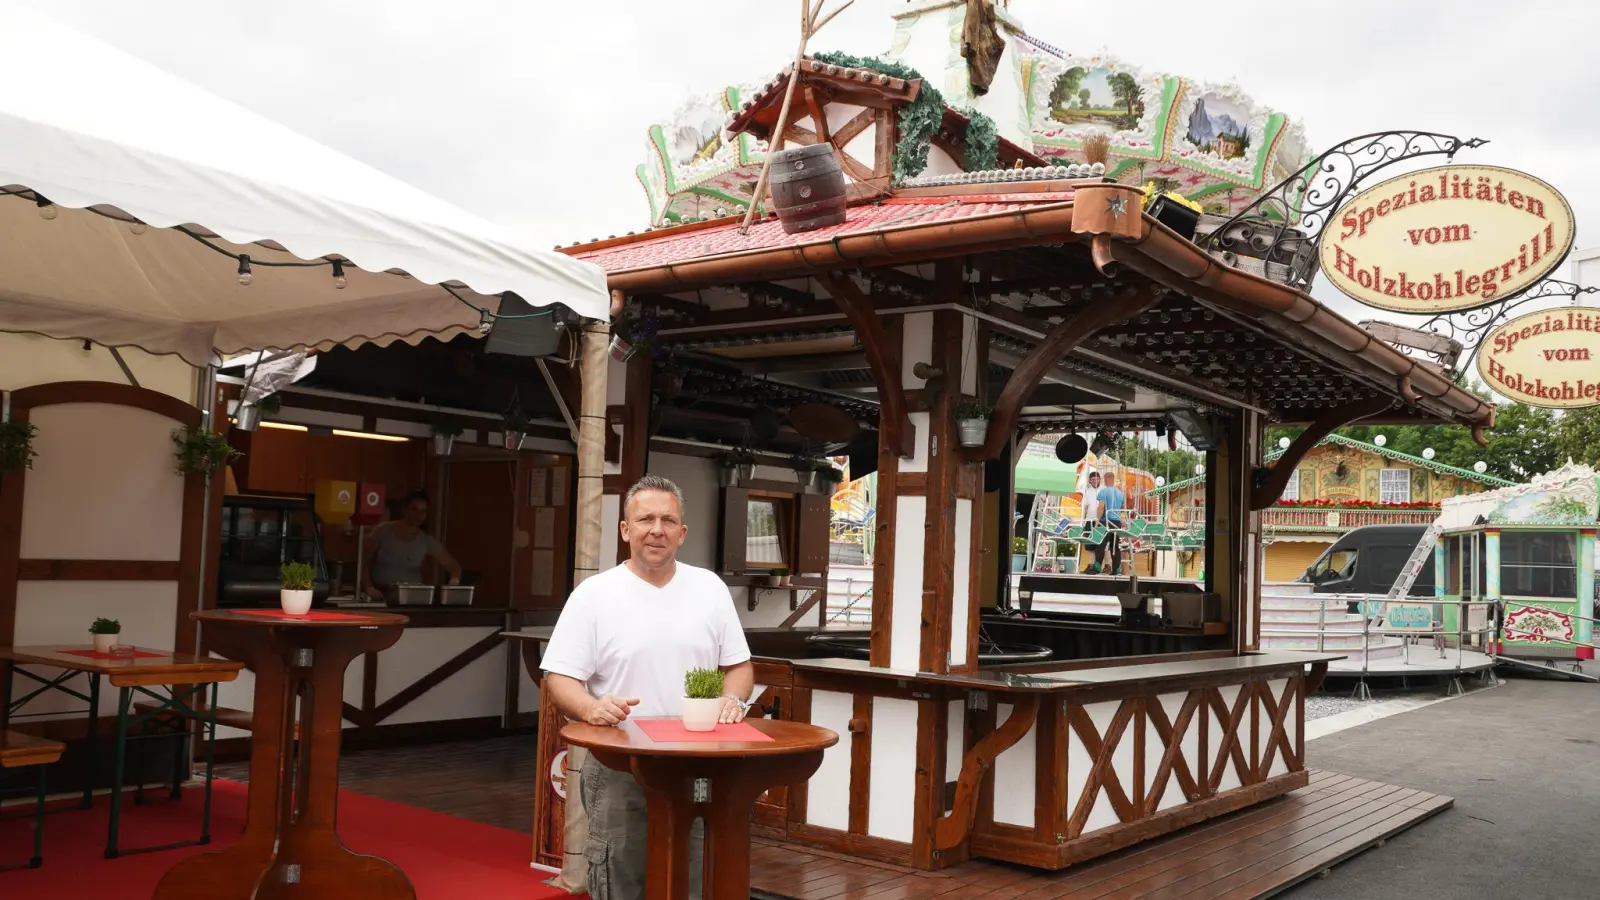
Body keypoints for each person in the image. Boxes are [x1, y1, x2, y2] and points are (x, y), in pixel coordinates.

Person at [541, 475, 754, 900]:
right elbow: (559, 677)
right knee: (621, 875)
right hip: (621, 762)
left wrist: (733, 698)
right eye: (645, 519)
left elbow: (739, 666)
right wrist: (590, 708)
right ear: (625, 530)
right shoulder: (593, 595)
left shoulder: (710, 589)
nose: (657, 530)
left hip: (700, 762)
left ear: (682, 532)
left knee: (697, 873)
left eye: (668, 521)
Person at [360, 488, 461, 600]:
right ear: (404, 509)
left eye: (423, 511)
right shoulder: (383, 531)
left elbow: (454, 566)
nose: (419, 515)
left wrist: (454, 582)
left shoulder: (425, 540)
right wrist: (369, 587)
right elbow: (362, 561)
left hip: (413, 596)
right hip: (381, 594)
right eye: (414, 509)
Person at [1098, 471, 1128, 576]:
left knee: (1100, 543)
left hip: (1106, 522)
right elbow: (1124, 509)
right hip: (1117, 523)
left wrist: (1097, 521)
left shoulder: (1103, 492)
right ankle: (1116, 569)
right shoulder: (1120, 494)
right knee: (1115, 546)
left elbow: (1101, 508)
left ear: (1106, 479)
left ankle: (1097, 567)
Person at [1080, 470, 1102, 574]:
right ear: (1090, 481)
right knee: (1089, 545)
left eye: (1097, 479)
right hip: (1089, 520)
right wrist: (1083, 521)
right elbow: (1085, 507)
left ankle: (1103, 566)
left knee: (1102, 545)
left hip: (1101, 521)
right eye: (1093, 479)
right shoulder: (1087, 491)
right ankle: (1090, 565)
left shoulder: (1104, 490)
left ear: (1100, 480)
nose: (1095, 481)